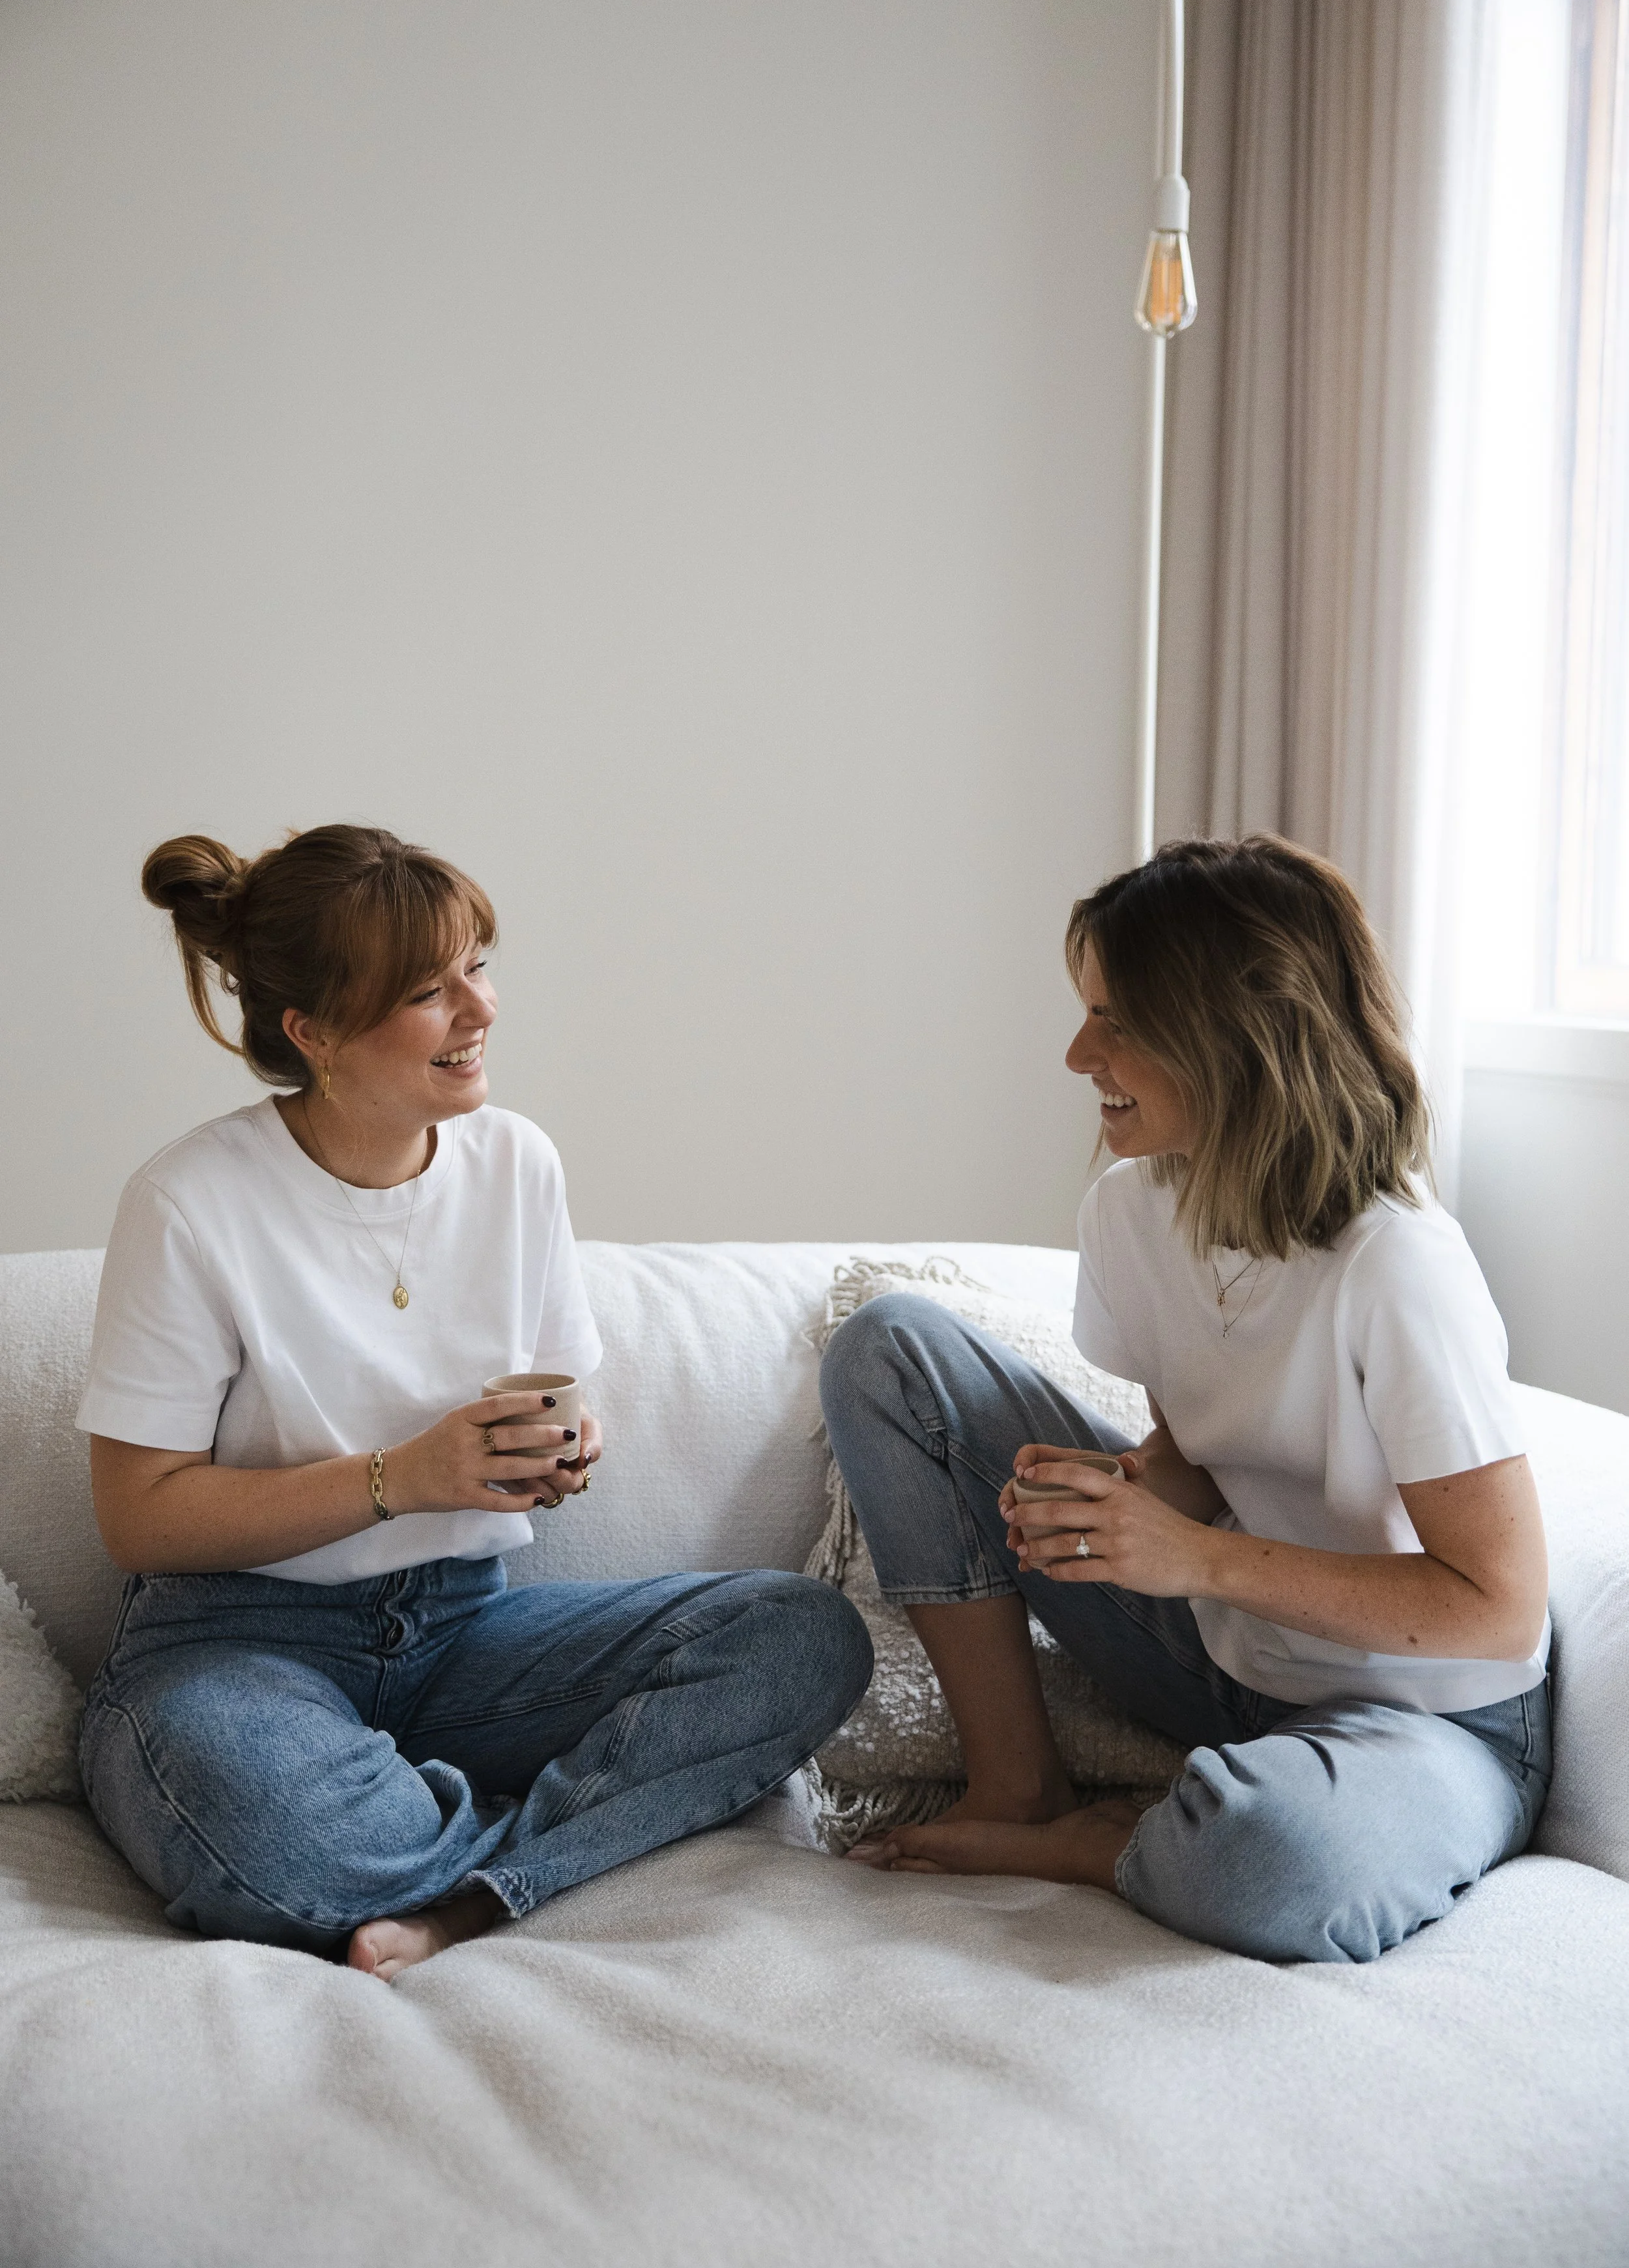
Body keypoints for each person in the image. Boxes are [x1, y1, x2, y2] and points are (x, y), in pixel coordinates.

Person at [79, 824, 870, 1979]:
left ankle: (468, 1891)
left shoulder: (516, 1164)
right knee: (255, 1817)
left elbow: (555, 1388)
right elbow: (139, 1516)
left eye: (479, 965)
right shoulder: (190, 1201)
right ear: (314, 1034)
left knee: (803, 1636)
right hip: (238, 1645)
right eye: (426, 990)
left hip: (464, 1631)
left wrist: (566, 1441)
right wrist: (400, 1478)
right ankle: (542, 1851)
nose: (481, 1008)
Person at [820, 835, 1550, 1964]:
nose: (1076, 1052)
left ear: (1232, 1031)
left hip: (1426, 1716)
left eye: (1115, 1018)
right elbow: (1204, 1450)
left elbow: (1497, 1607)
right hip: (1228, 1656)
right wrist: (1114, 1496)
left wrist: (1192, 1558)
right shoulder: (1131, 1209)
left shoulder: (1398, 1265)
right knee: (890, 1351)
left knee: (1268, 1859)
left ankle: (1098, 1845)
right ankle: (1019, 1789)